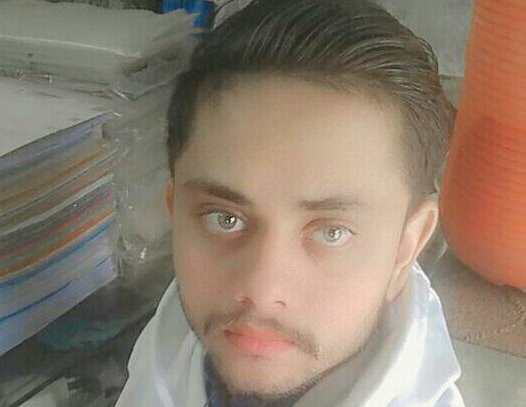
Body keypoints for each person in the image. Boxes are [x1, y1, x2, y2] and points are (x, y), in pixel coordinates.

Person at [116, 0, 465, 406]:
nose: (261, 292)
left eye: (331, 232)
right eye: (224, 218)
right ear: (174, 211)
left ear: (407, 247)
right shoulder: (166, 349)